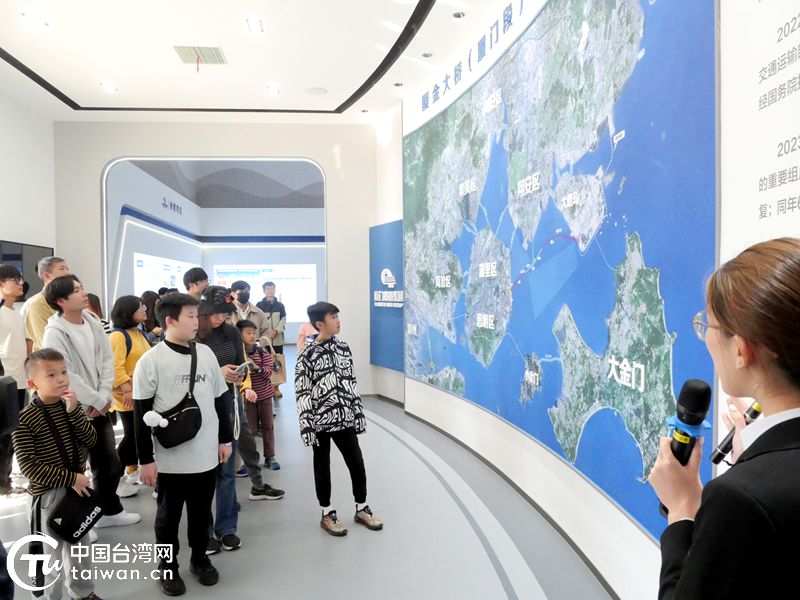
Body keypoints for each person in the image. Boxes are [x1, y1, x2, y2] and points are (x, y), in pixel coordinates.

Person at [649, 237, 800, 600]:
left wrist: (683, 511)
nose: (706, 339)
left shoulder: (738, 500)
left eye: (709, 327)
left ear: (742, 349)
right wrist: (757, 462)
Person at [133, 292, 233, 595]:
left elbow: (221, 399)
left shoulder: (206, 353)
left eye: (195, 315)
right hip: (170, 459)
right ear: (170, 321)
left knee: (201, 514)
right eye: (190, 316)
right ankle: (167, 566)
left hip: (206, 454)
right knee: (167, 518)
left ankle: (200, 559)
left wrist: (225, 439)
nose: (196, 321)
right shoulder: (151, 361)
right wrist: (145, 460)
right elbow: (140, 415)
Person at [42, 275, 140, 529]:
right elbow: (65, 374)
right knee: (74, 468)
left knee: (108, 463)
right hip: (72, 409)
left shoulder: (93, 321)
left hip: (100, 406)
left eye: (82, 288)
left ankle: (108, 512)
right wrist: (96, 399)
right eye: (77, 290)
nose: (84, 293)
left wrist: (104, 397)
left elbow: (107, 360)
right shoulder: (55, 333)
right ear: (61, 300)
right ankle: (76, 524)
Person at [196, 286, 284, 556]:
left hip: (228, 405)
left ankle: (226, 529)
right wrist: (217, 372)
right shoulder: (194, 336)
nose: (220, 318)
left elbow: (239, 364)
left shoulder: (232, 333)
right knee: (202, 475)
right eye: (215, 313)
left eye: (225, 313)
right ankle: (203, 533)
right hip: (199, 409)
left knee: (226, 472)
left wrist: (239, 376)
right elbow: (187, 374)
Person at [14, 348, 100, 600]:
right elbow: (29, 466)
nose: (61, 379)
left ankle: (83, 593)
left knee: (80, 547)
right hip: (48, 495)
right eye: (51, 375)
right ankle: (51, 597)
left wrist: (75, 412)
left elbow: (91, 440)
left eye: (63, 372)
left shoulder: (70, 406)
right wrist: (71, 478)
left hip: (77, 490)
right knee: (51, 554)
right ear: (33, 384)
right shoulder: (25, 419)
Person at [296, 301, 382, 536]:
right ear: (319, 324)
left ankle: (362, 507)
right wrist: (307, 427)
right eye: (333, 317)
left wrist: (358, 414)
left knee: (356, 463)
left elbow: (351, 382)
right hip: (320, 422)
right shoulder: (307, 354)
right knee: (322, 466)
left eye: (337, 316)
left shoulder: (343, 348)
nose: (338, 321)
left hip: (344, 419)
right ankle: (327, 512)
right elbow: (303, 391)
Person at [108, 295, 151, 496]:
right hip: (128, 395)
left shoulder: (139, 333)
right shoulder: (118, 336)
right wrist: (127, 389)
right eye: (139, 306)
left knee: (135, 435)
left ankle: (130, 472)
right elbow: (115, 366)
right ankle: (113, 478)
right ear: (127, 312)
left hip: (141, 393)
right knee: (132, 436)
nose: (144, 308)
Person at [0, 265, 30, 495]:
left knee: (11, 435)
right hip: (5, 383)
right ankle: (3, 485)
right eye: (14, 279)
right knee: (3, 437)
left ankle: (6, 481)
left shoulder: (15, 313)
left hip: (18, 382)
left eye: (20, 278)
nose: (20, 283)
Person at [236, 320, 279, 470]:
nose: (252, 336)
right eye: (248, 333)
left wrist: (256, 367)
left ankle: (270, 457)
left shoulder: (261, 351)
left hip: (265, 396)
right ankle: (250, 461)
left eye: (254, 333)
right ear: (239, 334)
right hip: (248, 399)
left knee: (268, 426)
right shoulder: (238, 353)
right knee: (250, 430)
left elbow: (269, 372)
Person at [23, 256, 71, 351]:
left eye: (67, 268)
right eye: (62, 269)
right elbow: (44, 342)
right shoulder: (37, 303)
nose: (68, 273)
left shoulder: (69, 298)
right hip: (53, 357)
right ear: (47, 276)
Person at [256, 281, 286, 398]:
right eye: (268, 289)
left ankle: (276, 388)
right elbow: (258, 322)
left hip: (277, 340)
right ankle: (266, 387)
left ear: (275, 289)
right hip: (265, 340)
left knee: (277, 363)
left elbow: (283, 319)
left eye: (272, 288)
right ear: (264, 291)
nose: (270, 291)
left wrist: (276, 331)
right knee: (265, 363)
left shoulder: (280, 305)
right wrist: (268, 333)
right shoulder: (259, 305)